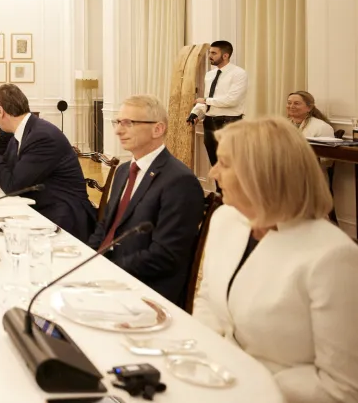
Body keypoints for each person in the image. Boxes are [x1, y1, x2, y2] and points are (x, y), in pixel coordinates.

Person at [194, 117, 358, 403]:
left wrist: (245, 375)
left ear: (262, 174)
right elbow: (207, 299)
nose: (213, 172)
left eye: (225, 163)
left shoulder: (333, 257)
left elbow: (342, 389)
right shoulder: (226, 220)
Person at [86, 95, 204, 306]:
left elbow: (165, 255)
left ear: (157, 129)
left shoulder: (180, 181)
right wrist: (87, 258)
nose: (118, 131)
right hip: (107, 274)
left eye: (128, 123)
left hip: (143, 290)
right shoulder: (123, 170)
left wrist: (107, 268)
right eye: (118, 122)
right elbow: (105, 227)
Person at [0, 84, 96, 241]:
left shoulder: (41, 136)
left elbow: (12, 186)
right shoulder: (23, 132)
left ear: (0, 111)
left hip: (62, 216)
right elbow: (3, 175)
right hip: (39, 205)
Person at [187, 40, 248, 169]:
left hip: (229, 123)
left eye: (214, 53)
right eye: (210, 52)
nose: (210, 56)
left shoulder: (239, 73)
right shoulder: (209, 75)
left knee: (230, 164)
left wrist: (205, 101)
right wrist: (195, 113)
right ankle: (220, 190)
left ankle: (231, 190)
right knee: (215, 163)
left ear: (225, 55)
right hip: (209, 122)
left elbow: (232, 100)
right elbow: (209, 99)